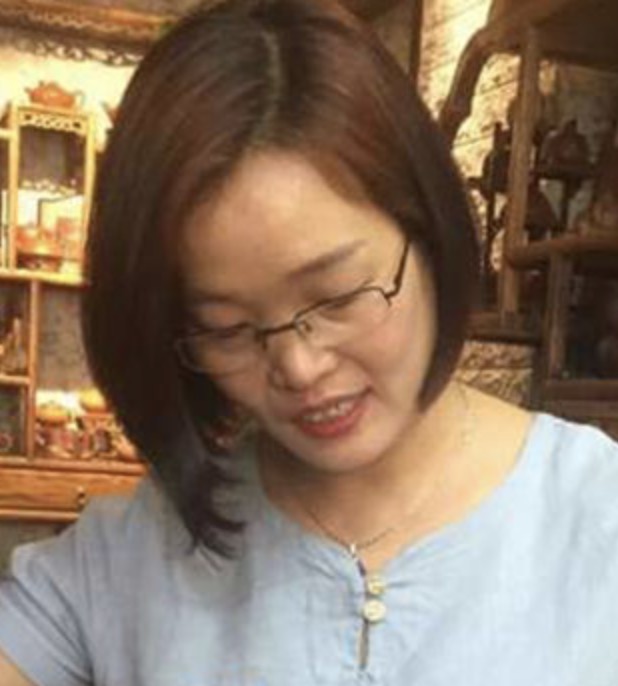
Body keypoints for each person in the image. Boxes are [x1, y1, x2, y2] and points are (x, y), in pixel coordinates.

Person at [2, 0, 618, 683]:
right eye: (228, 329)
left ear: (429, 228)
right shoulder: (138, 551)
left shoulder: (596, 519)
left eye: (339, 295)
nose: (299, 366)